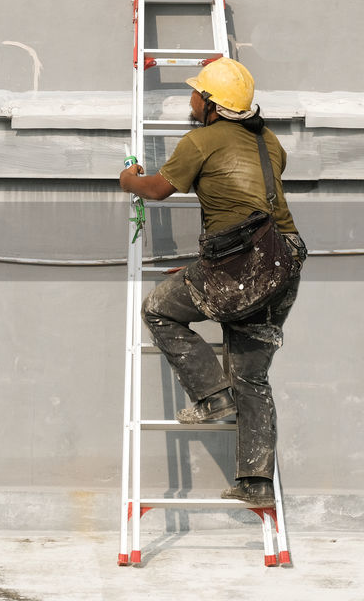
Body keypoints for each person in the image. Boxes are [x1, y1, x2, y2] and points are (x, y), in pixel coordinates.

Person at [117, 58, 306, 508]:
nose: (190, 99)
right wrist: (202, 269)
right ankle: (257, 484)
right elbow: (244, 208)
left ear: (213, 106)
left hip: (240, 266)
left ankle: (211, 397)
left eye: (196, 93)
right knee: (253, 378)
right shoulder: (271, 143)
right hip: (283, 262)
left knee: (159, 309)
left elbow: (159, 190)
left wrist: (129, 179)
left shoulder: (200, 140)